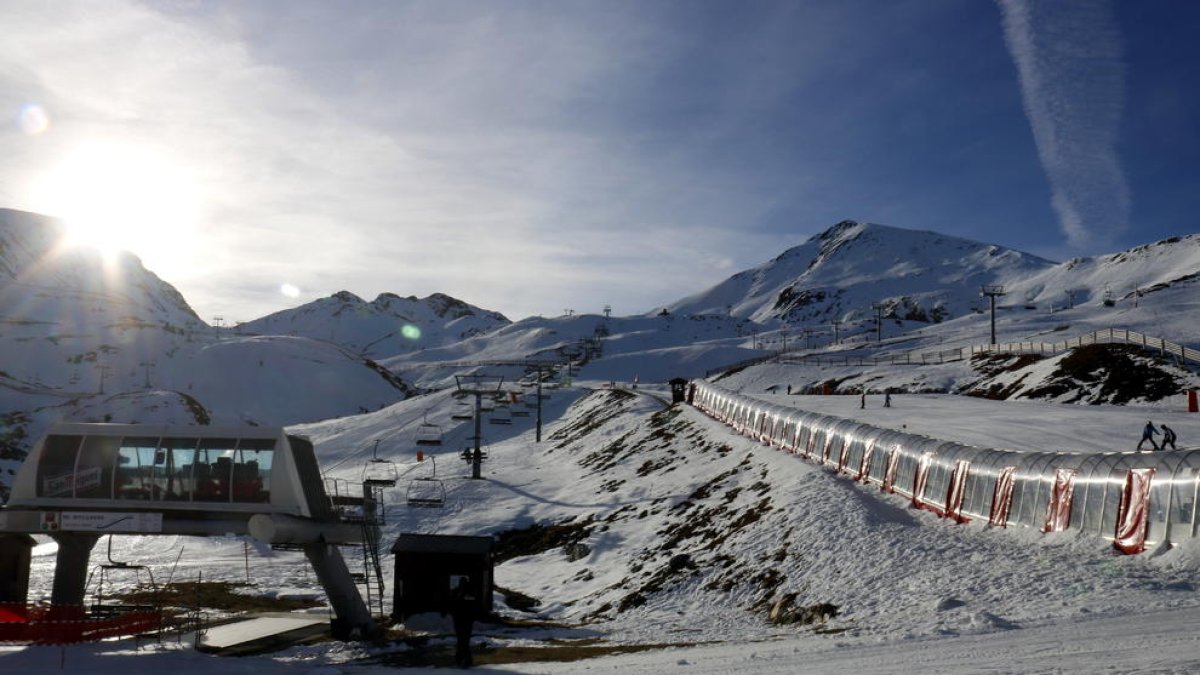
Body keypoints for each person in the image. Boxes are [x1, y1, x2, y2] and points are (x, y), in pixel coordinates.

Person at [449, 576, 477, 668]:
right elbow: (452, 605)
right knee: (462, 640)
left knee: (463, 640)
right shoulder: (456, 592)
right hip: (460, 619)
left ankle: (463, 660)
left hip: (465, 620)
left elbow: (472, 606)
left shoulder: (470, 592)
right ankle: (463, 659)